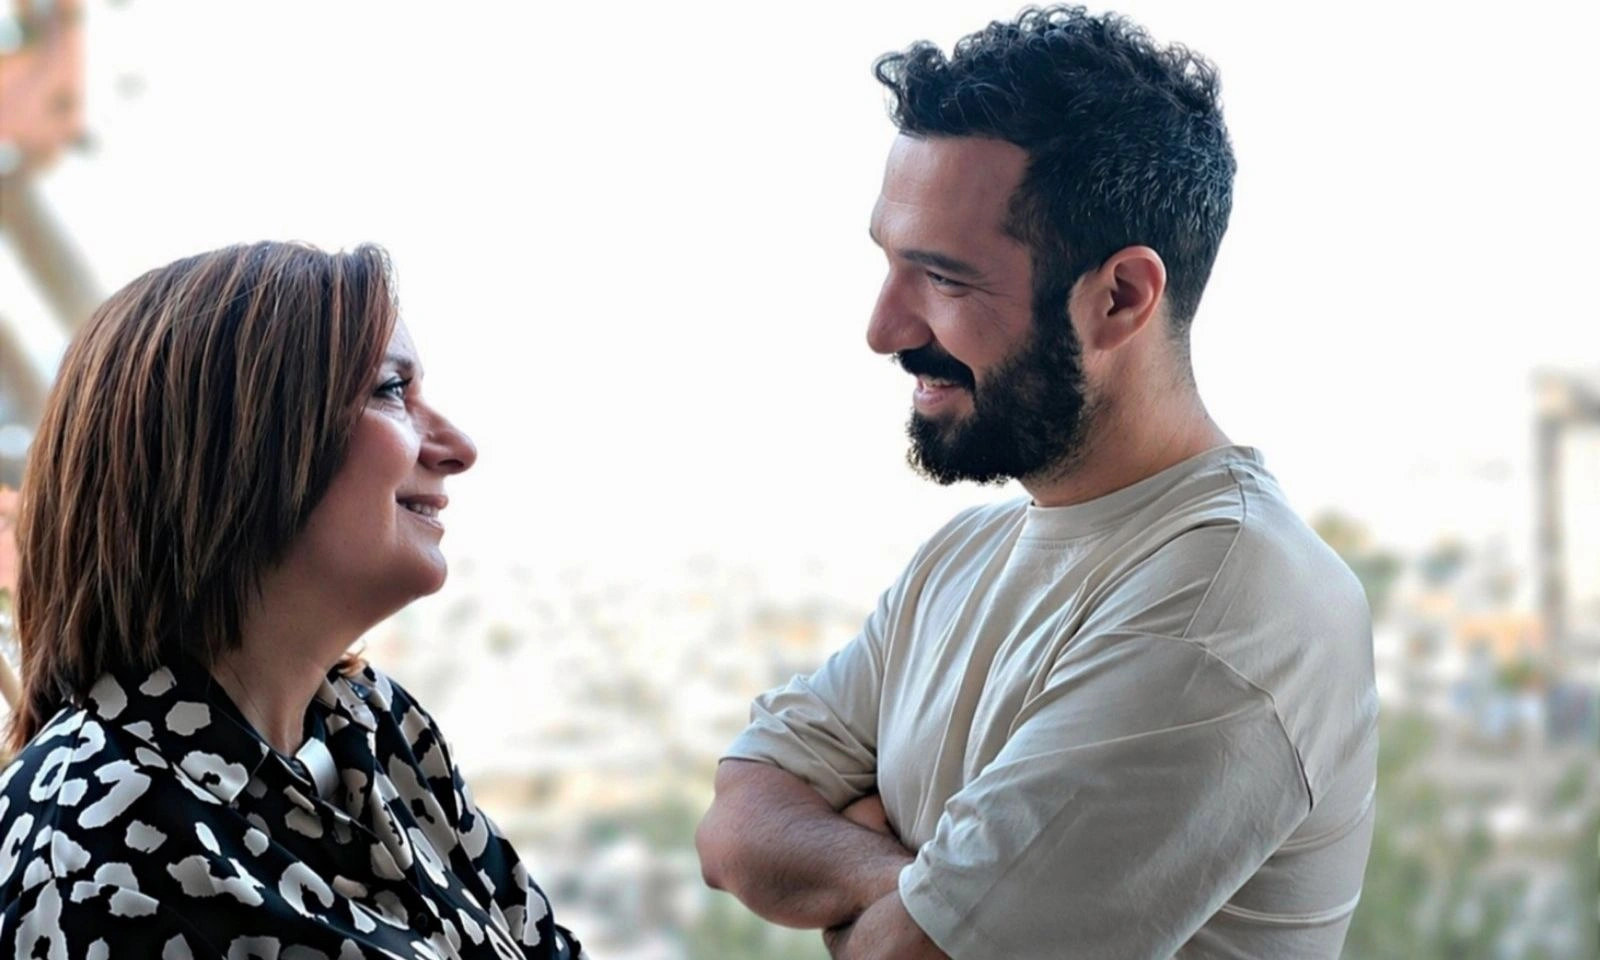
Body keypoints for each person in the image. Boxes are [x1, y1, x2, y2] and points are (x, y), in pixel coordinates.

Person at [695, 8, 1377, 959]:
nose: (884, 329)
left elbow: (908, 956)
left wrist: (882, 892)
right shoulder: (962, 557)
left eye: (944, 279)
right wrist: (914, 885)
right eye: (890, 264)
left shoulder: (1229, 607)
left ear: (1121, 297)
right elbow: (734, 825)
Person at [0, 242, 582, 958]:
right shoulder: (91, 840)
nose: (458, 447)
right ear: (234, 441)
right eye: (391, 390)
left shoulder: (374, 724)